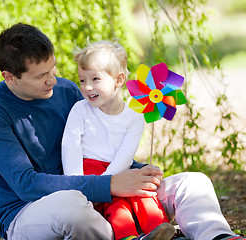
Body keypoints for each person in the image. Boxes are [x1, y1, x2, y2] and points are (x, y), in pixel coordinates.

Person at [0, 22, 244, 240]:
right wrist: (111, 184)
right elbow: (26, 184)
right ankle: (134, 236)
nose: (52, 79)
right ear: (10, 77)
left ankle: (217, 236)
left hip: (99, 187)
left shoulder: (64, 90)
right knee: (72, 207)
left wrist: (136, 170)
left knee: (193, 183)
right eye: (41, 76)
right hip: (31, 210)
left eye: (52, 69)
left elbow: (98, 143)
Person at [61, 40, 173, 240]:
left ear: (119, 79)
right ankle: (128, 236)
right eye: (82, 80)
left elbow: (126, 153)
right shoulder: (80, 109)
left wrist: (112, 178)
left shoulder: (135, 112)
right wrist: (80, 186)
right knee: (116, 204)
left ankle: (162, 232)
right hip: (91, 170)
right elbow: (70, 146)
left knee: (143, 195)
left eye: (95, 79)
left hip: (121, 167)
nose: (87, 87)